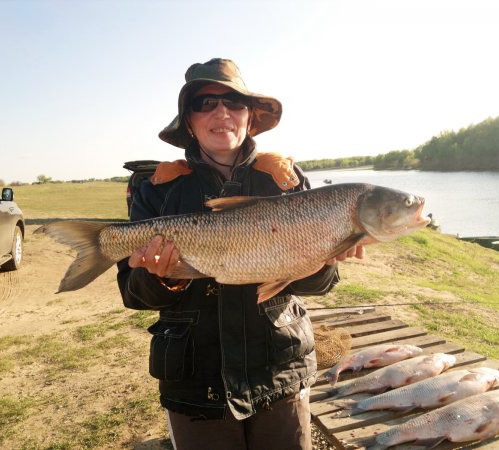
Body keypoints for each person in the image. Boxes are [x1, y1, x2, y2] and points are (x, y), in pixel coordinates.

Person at [117, 58, 364, 450]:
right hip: (196, 383)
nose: (221, 112)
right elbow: (132, 292)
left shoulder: (284, 179)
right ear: (189, 122)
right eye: (206, 103)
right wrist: (166, 276)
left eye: (234, 102)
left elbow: (322, 284)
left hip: (280, 372)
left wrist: (324, 258)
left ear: (250, 118)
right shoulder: (158, 188)